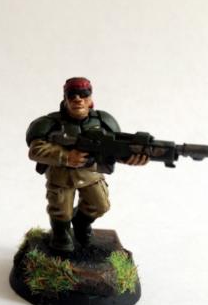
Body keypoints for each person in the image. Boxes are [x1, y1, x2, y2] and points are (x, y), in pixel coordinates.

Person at [26, 77, 148, 252]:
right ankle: (61, 233)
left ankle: (81, 224)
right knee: (61, 211)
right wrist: (66, 156)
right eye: (72, 95)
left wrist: (129, 158)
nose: (78, 99)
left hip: (91, 175)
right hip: (61, 177)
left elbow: (113, 149)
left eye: (83, 94)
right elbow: (36, 150)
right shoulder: (50, 124)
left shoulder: (104, 122)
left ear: (90, 99)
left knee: (100, 205)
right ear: (65, 98)